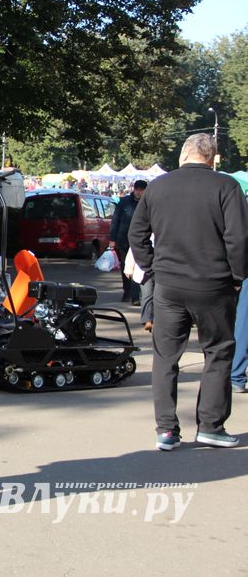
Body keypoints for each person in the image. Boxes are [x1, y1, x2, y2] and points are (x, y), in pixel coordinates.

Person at [130, 133, 248, 451]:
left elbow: (136, 233)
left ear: (183, 155)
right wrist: (238, 277)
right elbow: (238, 238)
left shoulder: (158, 186)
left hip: (168, 285)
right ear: (212, 158)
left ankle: (166, 430)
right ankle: (210, 425)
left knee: (166, 357)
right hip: (214, 284)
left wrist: (152, 269)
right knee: (218, 352)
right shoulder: (226, 187)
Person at [109, 179, 147, 305]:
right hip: (124, 240)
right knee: (127, 266)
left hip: (142, 239)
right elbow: (115, 221)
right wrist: (112, 239)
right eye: (138, 190)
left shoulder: (147, 202)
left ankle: (137, 294)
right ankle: (127, 291)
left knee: (141, 266)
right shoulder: (124, 202)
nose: (139, 193)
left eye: (142, 190)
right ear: (135, 189)